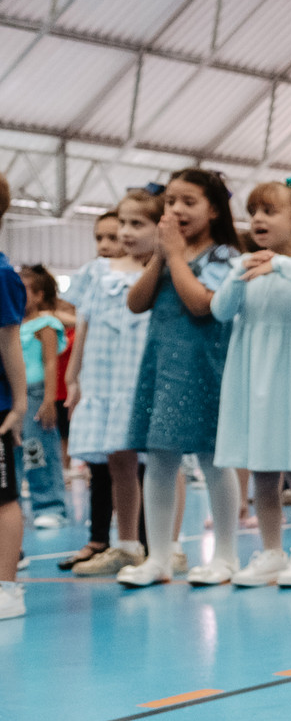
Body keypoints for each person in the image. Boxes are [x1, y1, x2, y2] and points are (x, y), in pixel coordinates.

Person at [194, 179, 291, 590]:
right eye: (254, 211)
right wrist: (239, 275)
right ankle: (272, 552)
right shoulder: (245, 265)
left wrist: (280, 264)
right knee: (262, 470)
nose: (257, 218)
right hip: (252, 373)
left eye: (269, 211)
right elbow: (220, 311)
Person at [123, 169, 245, 584]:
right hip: (163, 367)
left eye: (188, 202)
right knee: (158, 458)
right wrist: (161, 254)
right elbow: (135, 302)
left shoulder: (224, 256)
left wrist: (175, 256)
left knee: (213, 458)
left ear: (213, 210)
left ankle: (225, 555)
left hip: (204, 368)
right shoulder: (166, 255)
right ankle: (159, 557)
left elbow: (201, 305)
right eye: (171, 201)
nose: (176, 210)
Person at [64, 204, 151, 574]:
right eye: (100, 237)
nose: (107, 243)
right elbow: (81, 324)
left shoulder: (151, 273)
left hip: (133, 380)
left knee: (144, 466)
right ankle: (104, 539)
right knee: (105, 467)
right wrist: (73, 377)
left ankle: (148, 542)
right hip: (102, 382)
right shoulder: (93, 275)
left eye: (113, 236)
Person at [17, 265, 68, 529]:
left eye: (22, 290)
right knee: (10, 452)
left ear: (38, 295)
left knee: (37, 451)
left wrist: (49, 400)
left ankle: (50, 506)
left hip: (36, 396)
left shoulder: (45, 325)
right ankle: (11, 507)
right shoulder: (10, 325)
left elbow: (50, 363)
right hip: (12, 397)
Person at [0, 176, 29, 622]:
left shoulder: (2, 274)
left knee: (2, 498)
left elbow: (9, 341)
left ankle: (7, 587)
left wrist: (20, 403)